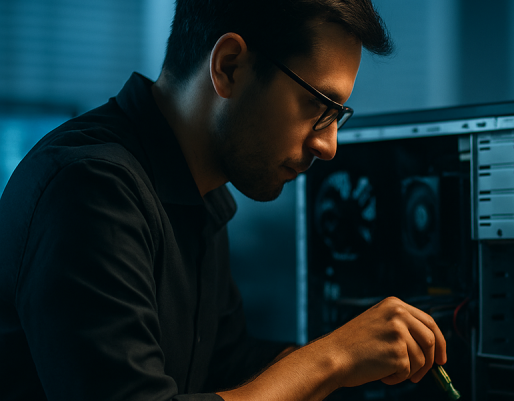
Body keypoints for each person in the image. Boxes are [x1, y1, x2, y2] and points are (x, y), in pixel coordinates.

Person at [0, 0, 447, 399]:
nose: (328, 146)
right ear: (229, 67)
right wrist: (335, 358)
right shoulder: (91, 190)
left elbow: (228, 367)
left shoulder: (198, 193)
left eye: (337, 116)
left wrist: (359, 360)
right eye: (317, 106)